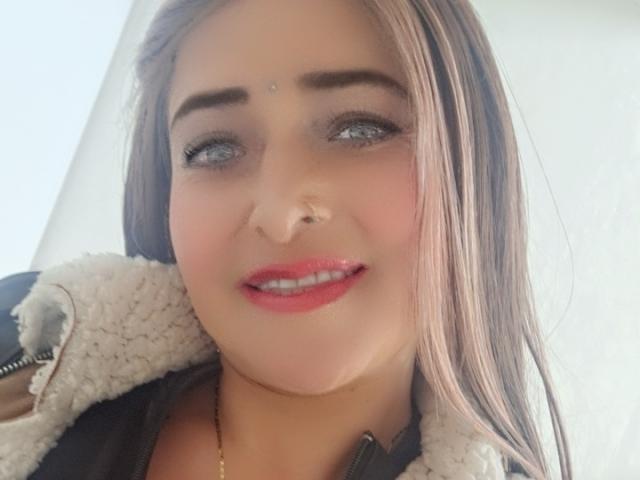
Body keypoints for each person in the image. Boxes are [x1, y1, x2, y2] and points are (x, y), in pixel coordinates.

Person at [0, 0, 573, 479]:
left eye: (359, 128)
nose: (278, 214)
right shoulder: (25, 349)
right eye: (215, 148)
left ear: (470, 163)